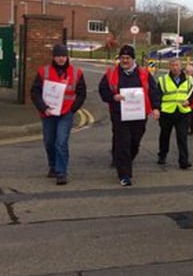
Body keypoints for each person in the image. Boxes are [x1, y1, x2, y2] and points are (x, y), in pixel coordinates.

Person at [98, 45, 161, 187]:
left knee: (134, 143)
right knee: (123, 143)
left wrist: (156, 108)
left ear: (133, 59)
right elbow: (103, 90)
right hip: (119, 114)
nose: (124, 60)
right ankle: (124, 175)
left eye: (127, 58)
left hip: (139, 114)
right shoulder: (111, 73)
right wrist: (113, 97)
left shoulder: (144, 73)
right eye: (122, 58)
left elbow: (153, 91)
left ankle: (124, 161)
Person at [30, 44, 86, 185]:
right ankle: (53, 166)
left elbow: (81, 93)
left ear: (67, 57)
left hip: (66, 113)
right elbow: (35, 92)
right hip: (48, 113)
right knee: (49, 142)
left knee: (61, 142)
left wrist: (73, 109)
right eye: (58, 56)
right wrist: (43, 108)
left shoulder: (76, 73)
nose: (61, 59)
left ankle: (61, 172)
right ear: (53, 57)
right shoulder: (44, 72)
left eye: (63, 56)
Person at [156, 58, 192, 169]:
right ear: (169, 67)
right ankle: (162, 154)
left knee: (182, 137)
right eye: (172, 65)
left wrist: (189, 101)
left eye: (177, 65)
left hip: (183, 112)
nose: (175, 67)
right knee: (164, 135)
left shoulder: (189, 79)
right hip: (167, 112)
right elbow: (158, 96)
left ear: (181, 66)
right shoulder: (163, 80)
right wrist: (157, 109)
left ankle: (184, 161)